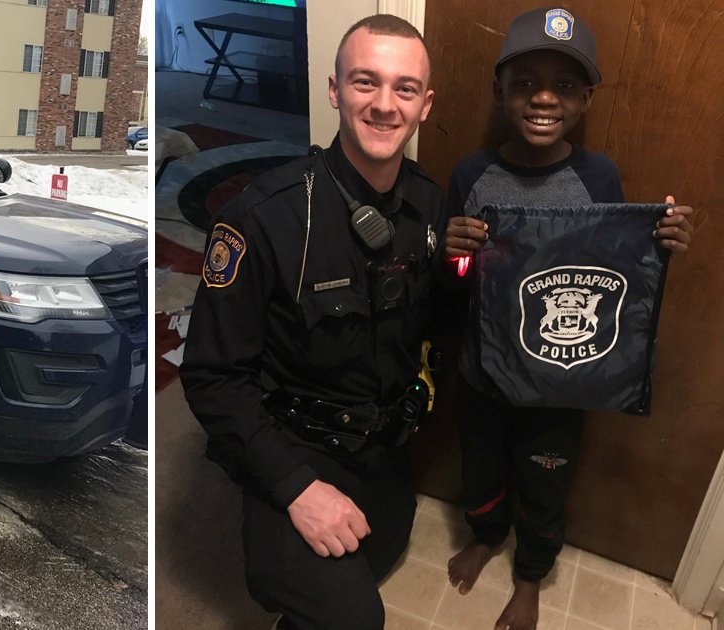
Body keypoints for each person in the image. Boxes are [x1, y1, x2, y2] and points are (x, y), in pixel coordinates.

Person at [180, 15, 445, 629]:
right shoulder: (261, 219)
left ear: (425, 105)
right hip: (292, 440)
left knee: (381, 551)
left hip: (380, 443)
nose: (384, 105)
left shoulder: (430, 205)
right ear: (334, 90)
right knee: (354, 617)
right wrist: (296, 486)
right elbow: (214, 379)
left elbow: (433, 322)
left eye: (404, 89)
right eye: (364, 83)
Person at [442, 8, 694, 630]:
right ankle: (485, 534)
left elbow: (610, 273)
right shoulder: (472, 174)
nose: (544, 97)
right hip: (483, 367)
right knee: (479, 465)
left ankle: (530, 574)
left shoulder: (597, 175)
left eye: (564, 84)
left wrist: (658, 241)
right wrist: (453, 255)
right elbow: (455, 283)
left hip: (563, 376)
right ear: (500, 91)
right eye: (524, 81)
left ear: (586, 98)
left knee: (545, 480)